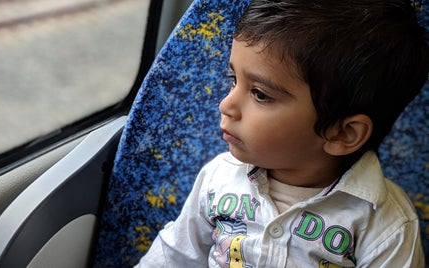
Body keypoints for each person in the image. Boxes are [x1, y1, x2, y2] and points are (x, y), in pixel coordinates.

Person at [136, 0, 429, 267]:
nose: (226, 104)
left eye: (260, 94)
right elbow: (173, 258)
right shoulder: (218, 179)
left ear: (342, 134)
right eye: (232, 79)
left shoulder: (386, 226)